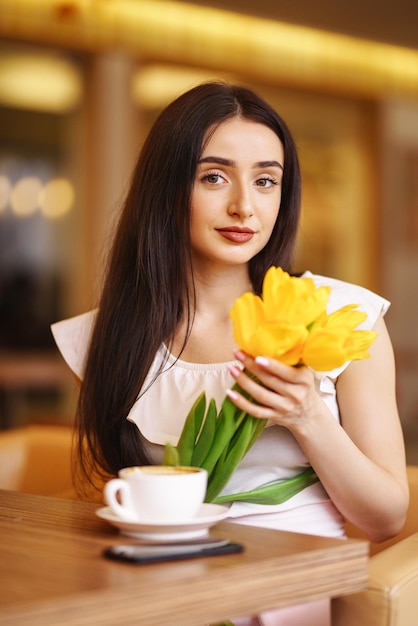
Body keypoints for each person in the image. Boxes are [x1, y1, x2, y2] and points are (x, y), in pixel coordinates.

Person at [51, 81, 409, 626]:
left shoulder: (334, 316)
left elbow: (387, 517)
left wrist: (309, 417)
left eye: (266, 180)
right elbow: (112, 500)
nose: (244, 205)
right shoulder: (109, 338)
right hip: (163, 593)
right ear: (166, 189)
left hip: (290, 593)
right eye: (214, 177)